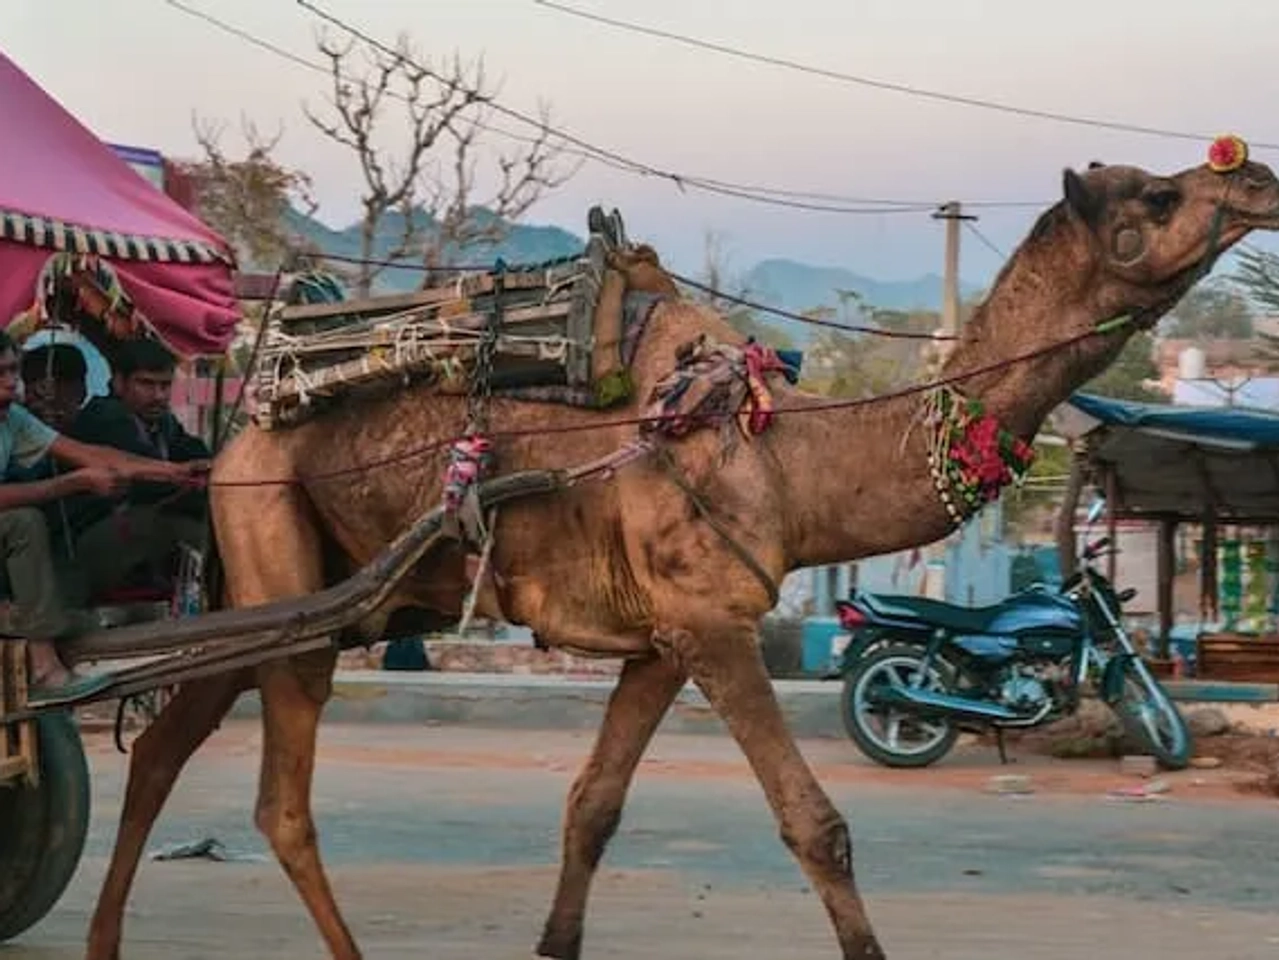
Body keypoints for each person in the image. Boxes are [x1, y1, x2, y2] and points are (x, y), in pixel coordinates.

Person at [0, 329, 206, 706]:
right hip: (33, 540)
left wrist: (176, 472)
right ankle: (47, 659)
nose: (12, 386)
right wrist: (72, 482)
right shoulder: (108, 416)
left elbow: (98, 456)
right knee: (25, 521)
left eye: (14, 373)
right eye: (3, 375)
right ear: (119, 382)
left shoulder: (12, 419)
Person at [59, 338, 211, 600]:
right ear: (119, 383)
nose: (159, 396)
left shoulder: (163, 423)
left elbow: (196, 453)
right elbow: (152, 486)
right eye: (146, 384)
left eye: (165, 385)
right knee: (190, 530)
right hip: (85, 546)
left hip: (129, 538)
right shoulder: (105, 417)